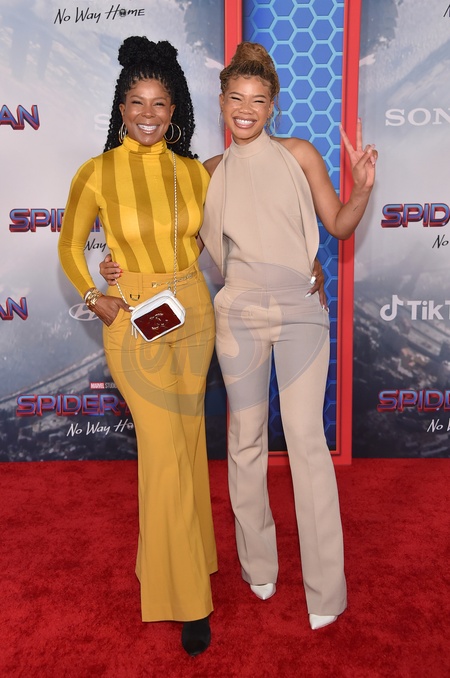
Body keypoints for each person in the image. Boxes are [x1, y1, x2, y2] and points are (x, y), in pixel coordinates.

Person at [199, 42, 377, 630]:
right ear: (221, 101)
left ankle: (327, 589)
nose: (245, 110)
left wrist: (361, 188)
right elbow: (179, 248)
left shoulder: (300, 154)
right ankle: (258, 563)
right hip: (239, 316)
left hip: (301, 313)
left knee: (305, 439)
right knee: (245, 439)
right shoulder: (208, 173)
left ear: (273, 106)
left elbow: (339, 225)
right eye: (236, 98)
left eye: (258, 100)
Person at [58, 36, 217, 657]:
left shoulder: (191, 172)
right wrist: (94, 293)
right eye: (137, 102)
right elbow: (70, 244)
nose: (148, 114)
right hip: (132, 318)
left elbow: (207, 240)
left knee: (188, 441)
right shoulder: (96, 171)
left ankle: (185, 558)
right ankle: (189, 600)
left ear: (174, 110)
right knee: (162, 449)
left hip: (191, 308)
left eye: (159, 103)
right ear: (121, 107)